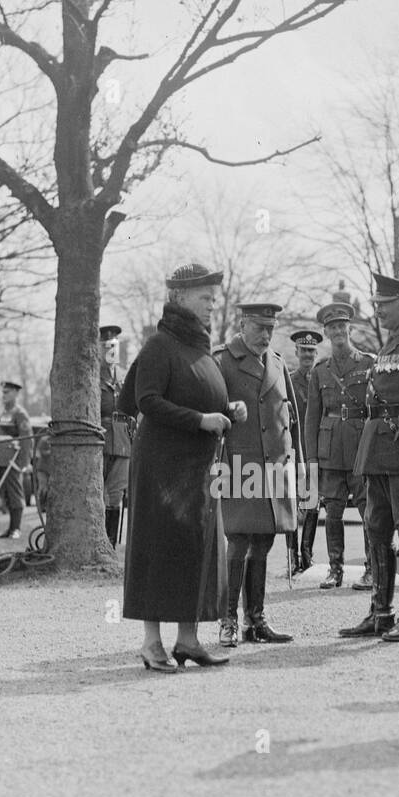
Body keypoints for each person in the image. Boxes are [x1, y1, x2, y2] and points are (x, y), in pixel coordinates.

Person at [122, 262, 242, 671]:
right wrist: (202, 420)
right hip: (162, 470)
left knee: (195, 551)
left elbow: (198, 394)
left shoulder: (197, 347)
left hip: (197, 470)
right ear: (179, 298)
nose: (212, 305)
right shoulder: (160, 344)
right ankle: (152, 643)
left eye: (213, 298)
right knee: (158, 552)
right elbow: (146, 400)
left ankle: (188, 641)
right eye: (205, 298)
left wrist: (228, 409)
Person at [339, 272, 399, 642]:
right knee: (377, 527)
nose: (377, 310)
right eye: (376, 304)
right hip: (377, 448)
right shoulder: (390, 346)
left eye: (384, 305)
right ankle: (381, 611)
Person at [214, 302, 302, 647]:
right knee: (237, 540)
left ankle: (256, 620)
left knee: (265, 540)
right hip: (239, 464)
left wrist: (299, 470)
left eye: (271, 328)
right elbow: (209, 409)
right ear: (242, 324)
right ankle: (228, 620)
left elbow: (289, 420)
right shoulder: (222, 360)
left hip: (276, 466)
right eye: (259, 327)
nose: (266, 334)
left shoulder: (278, 363)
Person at [304, 301, 376, 591]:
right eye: (332, 328)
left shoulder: (368, 363)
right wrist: (312, 460)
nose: (337, 332)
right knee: (332, 512)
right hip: (330, 450)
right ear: (326, 331)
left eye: (341, 327)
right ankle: (336, 570)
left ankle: (372, 569)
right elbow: (312, 418)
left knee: (368, 510)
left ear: (350, 329)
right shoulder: (321, 371)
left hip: (360, 448)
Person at [287, 329, 321, 575]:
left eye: (311, 351)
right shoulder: (288, 380)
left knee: (312, 505)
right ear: (296, 352)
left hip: (316, 451)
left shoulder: (322, 379)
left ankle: (306, 555)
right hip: (294, 450)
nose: (307, 355)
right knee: (291, 504)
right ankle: (292, 557)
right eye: (304, 351)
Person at [98, 326, 132, 547]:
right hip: (99, 438)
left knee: (116, 491)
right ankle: (99, 539)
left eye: (114, 346)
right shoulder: (92, 376)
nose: (111, 349)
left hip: (122, 440)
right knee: (98, 491)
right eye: (106, 346)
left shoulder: (124, 375)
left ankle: (110, 543)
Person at [0, 379, 33, 540]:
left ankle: (16, 528)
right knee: (6, 495)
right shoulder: (3, 412)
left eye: (7, 392)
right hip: (1, 460)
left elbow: (26, 438)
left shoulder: (20, 413)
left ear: (16, 393)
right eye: (3, 392)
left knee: (15, 494)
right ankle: (9, 529)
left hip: (13, 462)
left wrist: (24, 462)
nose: (4, 395)